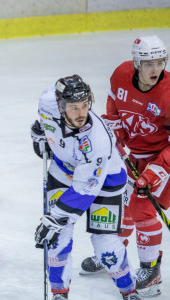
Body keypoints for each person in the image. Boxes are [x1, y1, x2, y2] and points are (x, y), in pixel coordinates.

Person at [32, 75, 141, 300]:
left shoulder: (97, 143)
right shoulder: (48, 101)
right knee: (58, 236)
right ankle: (59, 294)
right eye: (74, 107)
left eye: (84, 105)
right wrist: (40, 134)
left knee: (105, 244)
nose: (81, 113)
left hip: (105, 180)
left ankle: (128, 291)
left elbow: (84, 191)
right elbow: (43, 123)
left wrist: (55, 217)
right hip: (63, 171)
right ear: (60, 106)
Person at [80, 35, 169, 297]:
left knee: (142, 209)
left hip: (162, 158)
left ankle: (151, 270)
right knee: (120, 202)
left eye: (161, 62)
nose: (156, 69)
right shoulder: (120, 74)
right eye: (149, 63)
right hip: (134, 155)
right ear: (136, 63)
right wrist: (115, 130)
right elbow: (113, 105)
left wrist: (153, 172)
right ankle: (114, 255)